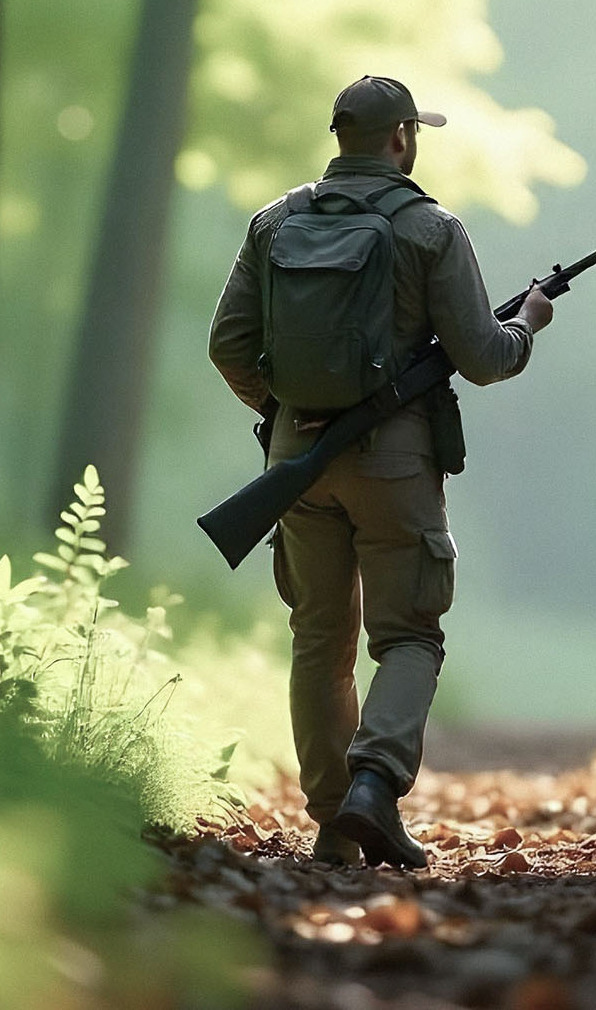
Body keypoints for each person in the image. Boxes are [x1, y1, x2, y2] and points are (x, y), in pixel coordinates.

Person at [207, 75, 553, 868]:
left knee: (318, 637)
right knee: (409, 635)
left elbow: (228, 345)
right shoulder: (432, 227)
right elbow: (486, 358)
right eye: (414, 131)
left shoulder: (273, 222)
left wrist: (292, 413)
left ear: (340, 137)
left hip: (295, 458)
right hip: (396, 463)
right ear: (400, 139)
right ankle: (374, 784)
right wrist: (528, 322)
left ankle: (332, 821)